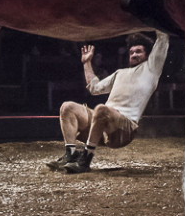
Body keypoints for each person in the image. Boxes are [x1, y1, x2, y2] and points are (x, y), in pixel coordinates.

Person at [46, 30, 169, 174]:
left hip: (124, 129)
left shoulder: (151, 70)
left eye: (138, 52)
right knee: (67, 107)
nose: (134, 55)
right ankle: (71, 154)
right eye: (131, 52)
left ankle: (85, 160)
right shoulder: (120, 73)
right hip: (103, 123)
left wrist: (154, 19)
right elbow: (94, 87)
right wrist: (87, 62)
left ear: (148, 55)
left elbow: (163, 37)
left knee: (101, 109)